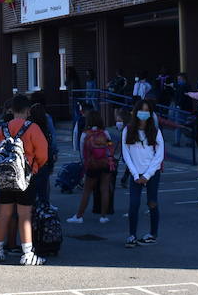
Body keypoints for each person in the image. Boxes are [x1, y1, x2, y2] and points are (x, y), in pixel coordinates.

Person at [0, 96, 49, 265]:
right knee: (24, 215)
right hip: (26, 177)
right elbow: (43, 154)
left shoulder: (3, 128)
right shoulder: (33, 128)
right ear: (28, 111)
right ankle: (27, 253)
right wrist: (35, 166)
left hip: (6, 176)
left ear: (12, 110)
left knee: (4, 214)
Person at [122, 99, 165, 248]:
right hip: (136, 173)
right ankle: (132, 235)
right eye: (142, 110)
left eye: (147, 111)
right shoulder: (128, 130)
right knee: (134, 204)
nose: (144, 113)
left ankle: (153, 234)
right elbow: (126, 154)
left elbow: (159, 155)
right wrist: (135, 175)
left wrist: (147, 175)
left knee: (152, 202)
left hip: (152, 173)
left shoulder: (155, 131)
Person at [68, 107, 114, 224]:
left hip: (92, 165)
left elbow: (83, 151)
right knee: (104, 189)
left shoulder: (85, 134)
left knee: (87, 190)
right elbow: (109, 147)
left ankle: (79, 216)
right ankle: (103, 216)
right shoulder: (105, 133)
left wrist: (85, 164)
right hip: (105, 164)